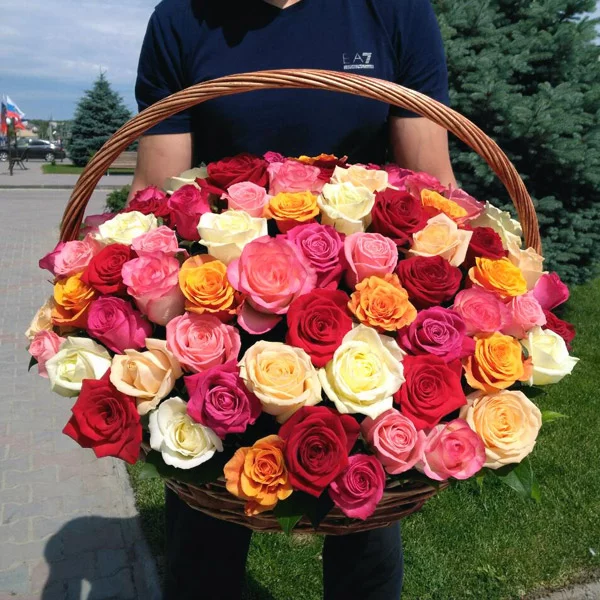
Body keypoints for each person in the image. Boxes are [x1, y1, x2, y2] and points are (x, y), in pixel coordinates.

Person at [133, 1, 456, 598]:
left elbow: (431, 182)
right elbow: (157, 192)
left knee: (365, 519)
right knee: (205, 526)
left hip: (363, 301)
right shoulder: (183, 18)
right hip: (222, 306)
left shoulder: (392, 10)